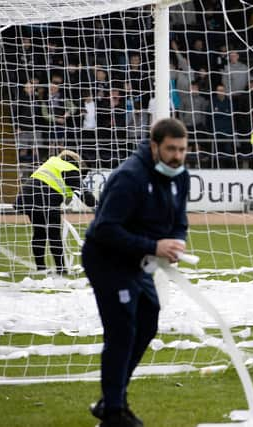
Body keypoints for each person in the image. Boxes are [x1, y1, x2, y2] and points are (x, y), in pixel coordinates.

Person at [83, 118, 190, 426]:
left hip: (137, 260)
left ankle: (111, 398)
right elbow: (104, 229)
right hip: (106, 259)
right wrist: (155, 246)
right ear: (154, 145)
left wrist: (177, 242)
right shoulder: (129, 177)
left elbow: (179, 219)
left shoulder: (180, 176)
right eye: (171, 148)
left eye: (182, 149)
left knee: (147, 321)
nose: (177, 156)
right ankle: (114, 413)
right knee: (122, 331)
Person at [14, 150, 96, 275]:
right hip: (46, 200)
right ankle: (61, 269)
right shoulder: (70, 169)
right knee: (54, 235)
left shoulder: (51, 162)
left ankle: (41, 268)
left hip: (27, 196)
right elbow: (86, 197)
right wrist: (101, 205)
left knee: (39, 233)